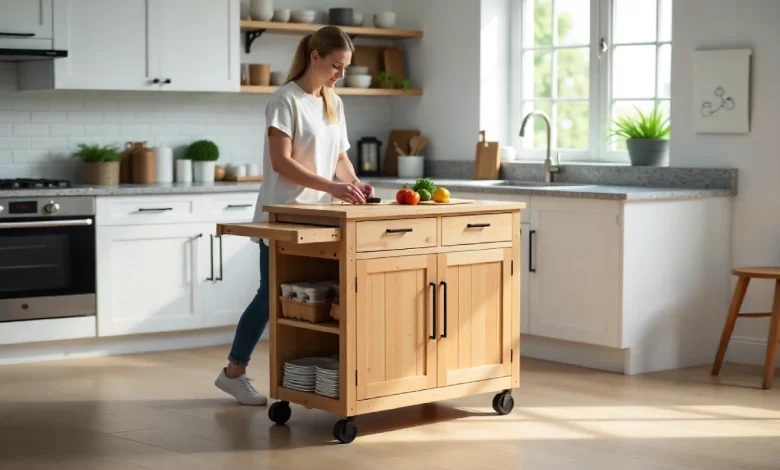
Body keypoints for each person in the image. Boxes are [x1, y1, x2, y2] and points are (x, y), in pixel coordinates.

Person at [214, 26, 373, 405]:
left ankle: (309, 378)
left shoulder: (333, 101)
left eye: (346, 68)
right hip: (284, 217)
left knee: (316, 297)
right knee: (271, 299)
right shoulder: (285, 100)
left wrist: (354, 183)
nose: (340, 74)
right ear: (314, 56)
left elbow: (339, 158)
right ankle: (234, 373)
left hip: (321, 218)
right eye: (336, 65)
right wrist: (334, 187)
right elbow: (281, 162)